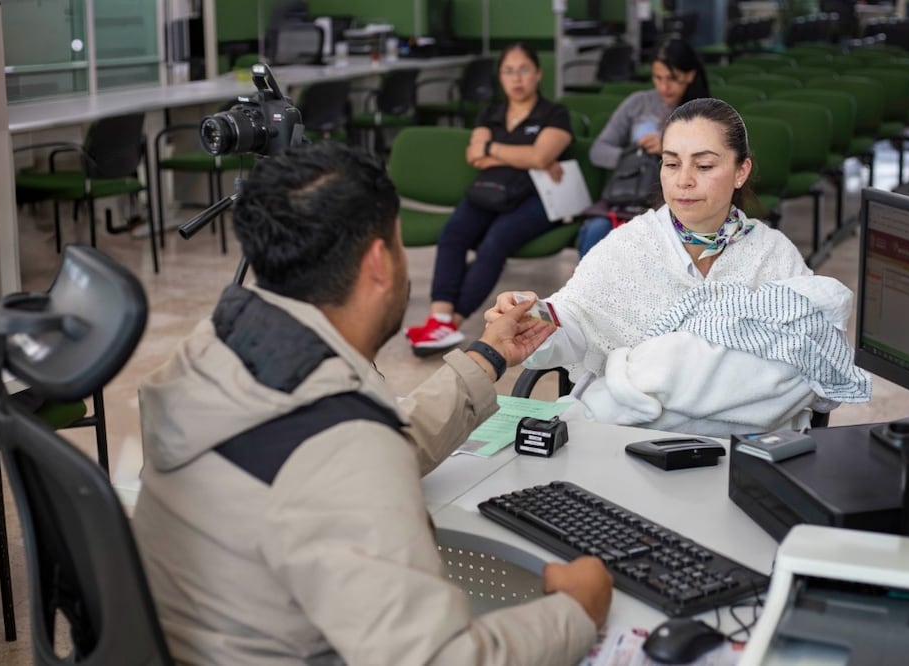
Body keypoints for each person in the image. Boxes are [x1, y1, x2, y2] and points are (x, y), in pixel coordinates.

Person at [131, 141, 613, 666]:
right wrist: (576, 610)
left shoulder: (212, 349)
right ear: (380, 262)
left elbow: (349, 453)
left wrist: (488, 355)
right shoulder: (344, 446)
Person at [486, 98, 871, 436]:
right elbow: (575, 320)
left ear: (741, 171)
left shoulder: (771, 253)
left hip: (747, 449)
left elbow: (814, 355)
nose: (683, 181)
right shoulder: (630, 245)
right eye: (671, 164)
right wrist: (534, 322)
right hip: (632, 442)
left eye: (704, 166)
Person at [405, 42, 573, 356]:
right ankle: (438, 316)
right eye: (509, 71)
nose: (517, 78)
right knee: (453, 233)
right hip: (490, 191)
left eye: (524, 69)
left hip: (536, 199)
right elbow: (475, 155)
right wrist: (527, 156)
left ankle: (450, 323)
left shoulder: (555, 113)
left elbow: (539, 155)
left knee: (495, 242)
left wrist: (494, 150)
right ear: (500, 77)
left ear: (537, 74)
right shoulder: (491, 113)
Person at [576, 39, 710, 258]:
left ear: (690, 75)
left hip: (678, 203)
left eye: (673, 79)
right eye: (658, 78)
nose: (664, 87)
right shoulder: (637, 103)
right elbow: (598, 151)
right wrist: (633, 155)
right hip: (629, 194)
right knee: (596, 230)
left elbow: (711, 166)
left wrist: (668, 152)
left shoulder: (704, 113)